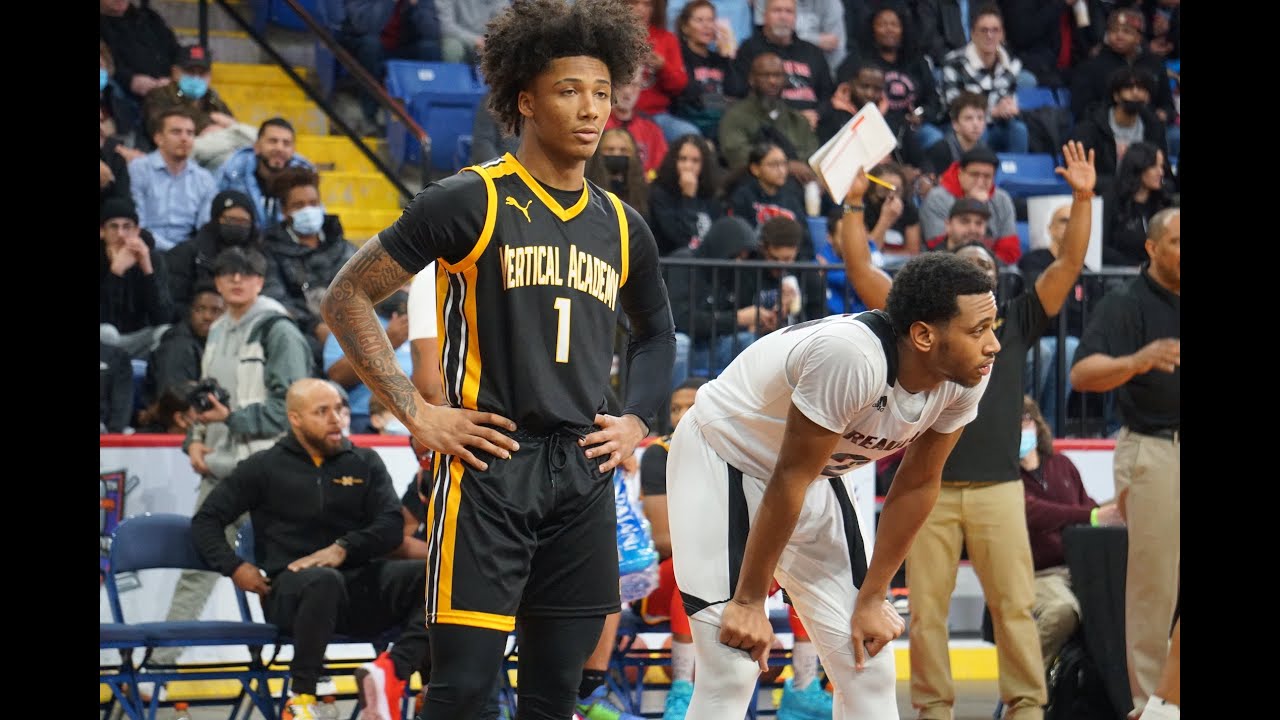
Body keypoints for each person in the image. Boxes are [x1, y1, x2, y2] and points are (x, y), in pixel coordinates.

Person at [318, 1, 677, 718]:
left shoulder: (621, 224)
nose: (592, 109)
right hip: (491, 468)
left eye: (603, 92)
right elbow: (347, 296)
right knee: (462, 691)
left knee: (560, 695)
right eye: (570, 89)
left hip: (581, 473)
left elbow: (656, 332)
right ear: (525, 99)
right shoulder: (470, 200)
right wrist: (416, 412)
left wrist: (638, 419)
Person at [666, 249, 999, 719]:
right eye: (978, 331)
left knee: (870, 664)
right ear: (924, 335)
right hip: (722, 458)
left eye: (993, 328)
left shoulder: (966, 377)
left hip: (808, 478)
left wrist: (874, 596)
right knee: (732, 666)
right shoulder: (852, 357)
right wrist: (749, 600)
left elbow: (918, 484)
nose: (993, 346)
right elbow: (789, 477)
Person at [839, 143, 1096, 720]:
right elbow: (860, 271)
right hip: (926, 489)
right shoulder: (920, 322)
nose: (979, 271)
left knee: (1016, 605)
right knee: (926, 611)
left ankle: (1027, 706)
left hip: (1001, 487)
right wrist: (854, 207)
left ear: (997, 281)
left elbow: (1068, 266)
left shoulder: (1016, 321)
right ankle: (933, 711)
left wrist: (1083, 198)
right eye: (968, 266)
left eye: (987, 266)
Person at [190, 378, 430, 720]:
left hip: (359, 587)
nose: (337, 418)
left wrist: (343, 548)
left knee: (435, 576)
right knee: (322, 580)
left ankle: (394, 673)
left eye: (341, 409)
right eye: (323, 411)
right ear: (295, 419)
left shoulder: (364, 462)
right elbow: (205, 521)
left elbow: (391, 528)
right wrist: (234, 567)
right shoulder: (264, 467)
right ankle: (301, 697)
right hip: (290, 593)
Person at [148, 245, 315, 673]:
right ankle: (159, 670)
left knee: (290, 572)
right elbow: (207, 398)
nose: (236, 281)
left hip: (272, 470)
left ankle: (306, 674)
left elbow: (294, 405)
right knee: (197, 564)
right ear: (218, 282)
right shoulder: (218, 328)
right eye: (227, 274)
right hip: (222, 470)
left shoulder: (278, 330)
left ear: (260, 281)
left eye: (246, 274)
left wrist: (234, 419)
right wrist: (196, 439)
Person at [1069, 207, 1179, 718]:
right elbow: (1083, 374)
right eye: (1177, 241)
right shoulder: (1126, 304)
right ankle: (1149, 705)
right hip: (1156, 451)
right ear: (1152, 249)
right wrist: (1138, 359)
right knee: (1156, 587)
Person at [1019, 394, 1121, 665]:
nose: (1021, 429)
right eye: (1013, 424)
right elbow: (1034, 512)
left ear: (1037, 424)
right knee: (1063, 611)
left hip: (1080, 569)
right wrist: (1094, 514)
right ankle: (1026, 687)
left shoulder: (1062, 465)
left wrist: (1106, 511)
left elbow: (1086, 508)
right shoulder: (1004, 477)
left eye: (1025, 420)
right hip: (1037, 574)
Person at [164, 189, 282, 324]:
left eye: (243, 222)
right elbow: (174, 302)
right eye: (230, 220)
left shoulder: (260, 256)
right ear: (216, 219)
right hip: (196, 327)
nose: (237, 226)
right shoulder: (189, 253)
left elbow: (273, 291)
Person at [938, 5, 1029, 154]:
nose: (990, 35)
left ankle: (1018, 175)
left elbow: (1009, 99)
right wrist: (992, 112)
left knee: (1019, 130)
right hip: (962, 128)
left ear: (1002, 35)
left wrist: (1010, 108)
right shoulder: (954, 63)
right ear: (973, 34)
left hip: (999, 125)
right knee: (977, 129)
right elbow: (952, 107)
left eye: (995, 30)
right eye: (984, 30)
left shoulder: (1011, 64)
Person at [718, 52, 819, 179]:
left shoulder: (798, 120)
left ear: (785, 80)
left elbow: (813, 158)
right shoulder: (735, 116)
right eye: (765, 75)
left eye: (777, 75)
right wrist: (787, 166)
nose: (772, 81)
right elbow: (737, 157)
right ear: (751, 79)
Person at [129, 107, 218, 252]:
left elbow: (205, 229)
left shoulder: (204, 178)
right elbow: (137, 224)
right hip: (145, 249)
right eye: (176, 132)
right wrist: (173, 250)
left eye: (190, 133)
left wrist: (186, 252)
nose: (184, 138)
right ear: (159, 138)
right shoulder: (139, 169)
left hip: (188, 255)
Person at [100, 197, 175, 360]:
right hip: (104, 342)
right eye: (113, 227)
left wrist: (147, 269)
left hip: (139, 339)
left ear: (136, 231)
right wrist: (115, 272)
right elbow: (104, 317)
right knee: (107, 333)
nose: (120, 234)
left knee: (165, 332)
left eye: (127, 227)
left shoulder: (152, 259)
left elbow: (163, 317)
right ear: (102, 231)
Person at [215, 118, 317, 229]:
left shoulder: (304, 177)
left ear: (293, 150)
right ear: (257, 147)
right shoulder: (232, 172)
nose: (279, 148)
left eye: (286, 143)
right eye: (273, 141)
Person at [647, 133, 725, 256]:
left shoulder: (712, 196)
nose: (688, 166)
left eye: (695, 161)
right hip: (673, 264)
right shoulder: (660, 194)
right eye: (682, 159)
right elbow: (680, 237)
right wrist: (688, 198)